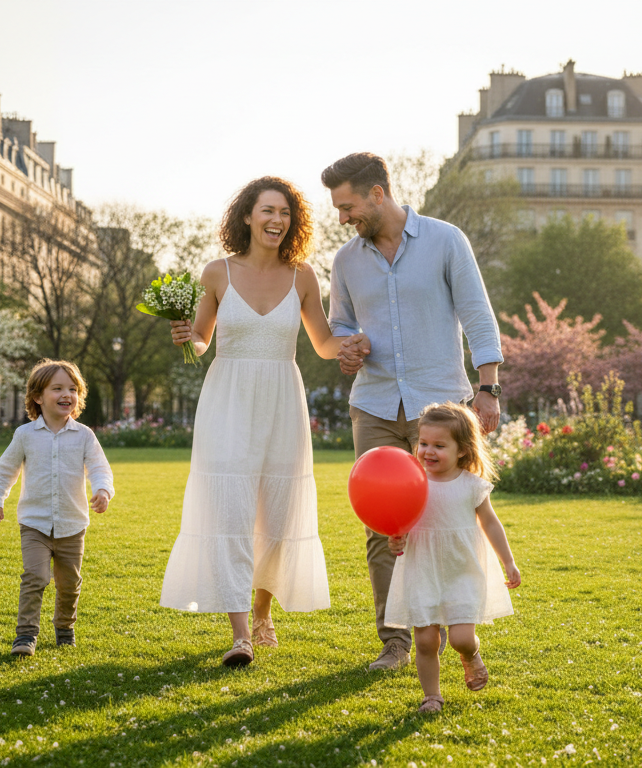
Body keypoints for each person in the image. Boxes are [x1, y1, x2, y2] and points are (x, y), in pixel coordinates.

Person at [161, 176, 367, 667]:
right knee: (230, 512)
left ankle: (262, 612)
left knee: (276, 514)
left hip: (281, 400)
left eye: (285, 213)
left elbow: (322, 343)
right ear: (248, 217)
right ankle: (240, 636)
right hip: (227, 400)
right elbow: (202, 342)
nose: (277, 221)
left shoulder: (302, 277)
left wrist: (356, 343)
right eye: (267, 211)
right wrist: (185, 336)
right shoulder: (217, 273)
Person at [321, 152, 505, 670]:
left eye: (348, 205)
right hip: (374, 403)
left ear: (378, 193)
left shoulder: (446, 240)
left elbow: (477, 314)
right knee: (384, 528)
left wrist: (488, 387)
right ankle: (396, 641)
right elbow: (339, 326)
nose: (343, 218)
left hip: (442, 405)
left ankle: (451, 626)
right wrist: (348, 347)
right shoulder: (345, 261)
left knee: (447, 520)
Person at [384, 402, 520, 713]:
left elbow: (490, 524)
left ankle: (470, 655)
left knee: (460, 638)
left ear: (462, 450)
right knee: (426, 641)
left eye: (439, 445)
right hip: (422, 569)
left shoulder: (472, 485)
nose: (428, 452)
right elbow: (399, 524)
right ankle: (432, 696)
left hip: (462, 570)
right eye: (424, 443)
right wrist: (396, 540)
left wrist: (508, 561)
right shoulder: (411, 481)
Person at [0, 359, 115, 657]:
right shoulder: (25, 435)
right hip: (35, 524)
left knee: (69, 583)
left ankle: (65, 628)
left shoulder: (84, 435)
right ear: (37, 396)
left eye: (72, 389)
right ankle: (26, 635)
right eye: (57, 388)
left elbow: (99, 467)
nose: (66, 394)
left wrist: (103, 490)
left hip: (72, 524)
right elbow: (6, 469)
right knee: (36, 577)